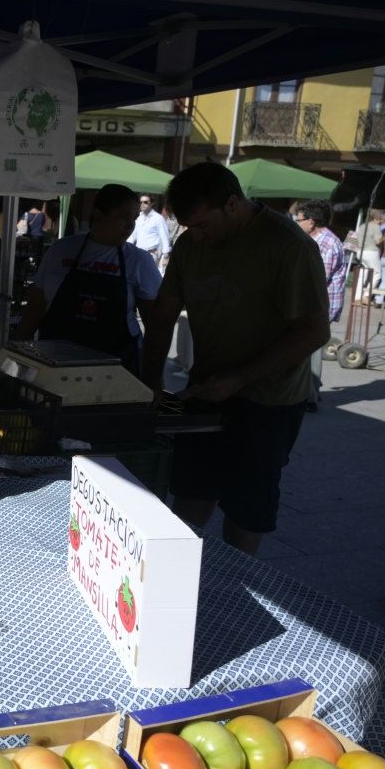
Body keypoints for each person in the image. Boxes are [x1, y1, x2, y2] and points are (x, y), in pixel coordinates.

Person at [140, 162, 330, 557]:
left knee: (246, 508)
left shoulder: (288, 246)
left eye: (203, 225)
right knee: (192, 489)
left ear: (231, 204)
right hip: (206, 388)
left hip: (270, 400)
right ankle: (177, 569)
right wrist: (150, 382)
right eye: (189, 227)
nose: (197, 236)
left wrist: (242, 377)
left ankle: (237, 590)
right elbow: (162, 315)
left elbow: (314, 331)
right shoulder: (192, 244)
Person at [15, 184, 162, 375]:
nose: (130, 226)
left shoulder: (138, 261)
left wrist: (153, 375)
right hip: (54, 365)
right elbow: (35, 307)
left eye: (133, 219)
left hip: (115, 371)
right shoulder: (60, 251)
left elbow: (156, 325)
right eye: (123, 217)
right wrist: (17, 356)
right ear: (99, 215)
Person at [294, 199, 346, 412]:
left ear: (312, 221)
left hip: (319, 304)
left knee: (311, 349)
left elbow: (317, 278)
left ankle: (310, 397)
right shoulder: (314, 239)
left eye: (299, 219)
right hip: (312, 301)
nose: (296, 223)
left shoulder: (326, 243)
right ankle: (308, 391)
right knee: (306, 349)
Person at [127, 193, 171, 273]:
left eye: (145, 202)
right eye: (141, 202)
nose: (142, 204)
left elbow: (164, 237)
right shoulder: (138, 217)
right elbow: (132, 236)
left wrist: (166, 256)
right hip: (137, 253)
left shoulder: (158, 218)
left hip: (151, 254)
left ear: (152, 203)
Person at [349, 209, 385, 305]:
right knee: (377, 274)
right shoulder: (376, 227)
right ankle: (366, 296)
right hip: (371, 252)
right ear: (379, 218)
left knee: (363, 274)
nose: (384, 221)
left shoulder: (363, 226)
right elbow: (377, 241)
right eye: (383, 218)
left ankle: (357, 298)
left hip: (360, 251)